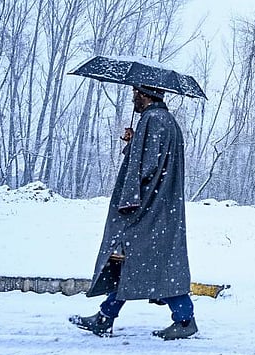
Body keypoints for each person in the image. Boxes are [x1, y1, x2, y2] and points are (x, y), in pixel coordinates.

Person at [70, 85, 197, 340]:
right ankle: (106, 316)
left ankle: (184, 320)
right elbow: (154, 159)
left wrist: (128, 200)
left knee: (147, 263)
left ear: (143, 93)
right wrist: (134, 142)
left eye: (134, 93)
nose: (133, 99)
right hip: (161, 208)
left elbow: (147, 167)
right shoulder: (166, 121)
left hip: (148, 210)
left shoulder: (152, 119)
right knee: (134, 263)